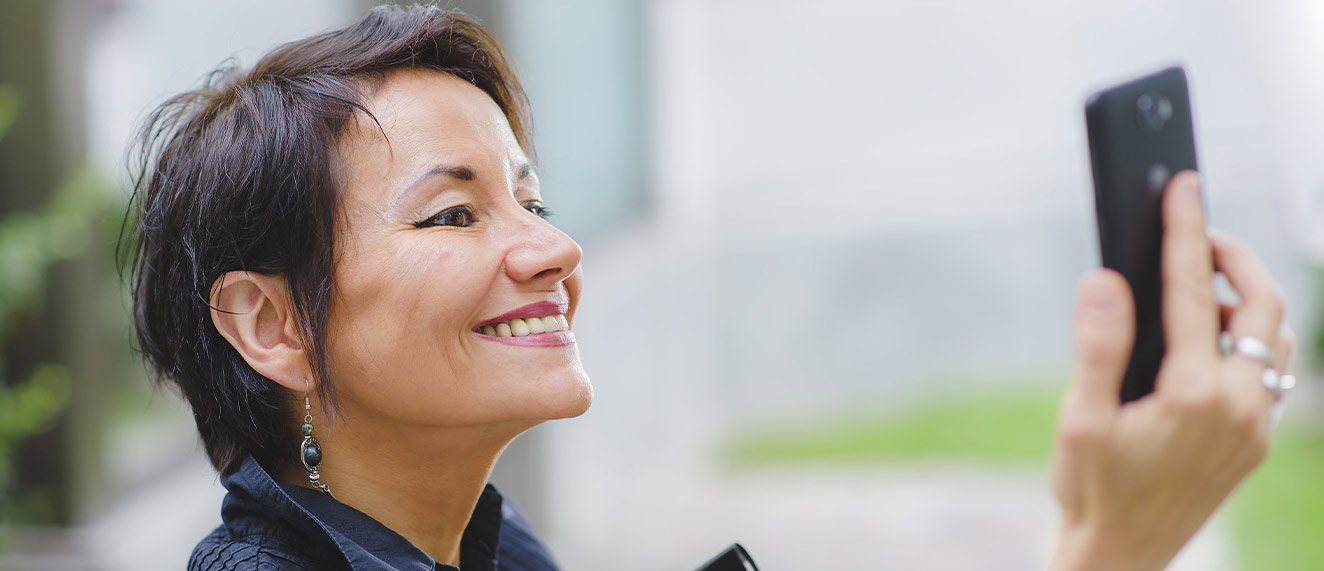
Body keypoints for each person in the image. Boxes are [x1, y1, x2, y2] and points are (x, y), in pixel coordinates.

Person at [123, 5, 1293, 571]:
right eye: (453, 212)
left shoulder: (481, 543)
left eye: (532, 198)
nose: (549, 248)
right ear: (270, 322)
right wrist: (1112, 544)